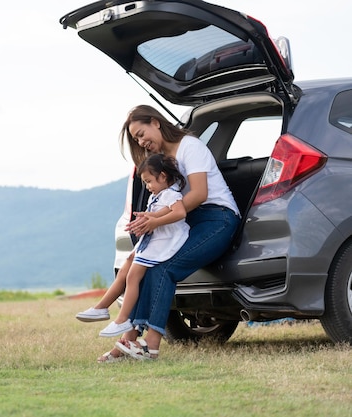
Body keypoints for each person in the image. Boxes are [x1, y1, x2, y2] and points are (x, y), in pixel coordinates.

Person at [97, 105, 241, 363]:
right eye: (137, 139)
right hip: (185, 219)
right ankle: (127, 342)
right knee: (144, 265)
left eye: (141, 134)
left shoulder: (190, 147)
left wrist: (156, 219)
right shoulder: (160, 161)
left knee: (165, 268)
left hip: (217, 217)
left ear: (156, 122)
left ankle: (150, 346)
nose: (141, 142)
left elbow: (199, 194)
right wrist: (148, 219)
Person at [76, 154, 190, 339]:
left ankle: (122, 319)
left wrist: (154, 222)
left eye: (149, 181)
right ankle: (102, 307)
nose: (147, 186)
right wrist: (147, 217)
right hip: (153, 239)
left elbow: (179, 212)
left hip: (163, 241)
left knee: (132, 276)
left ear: (162, 176)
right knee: (125, 268)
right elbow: (161, 212)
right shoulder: (160, 194)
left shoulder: (170, 193)